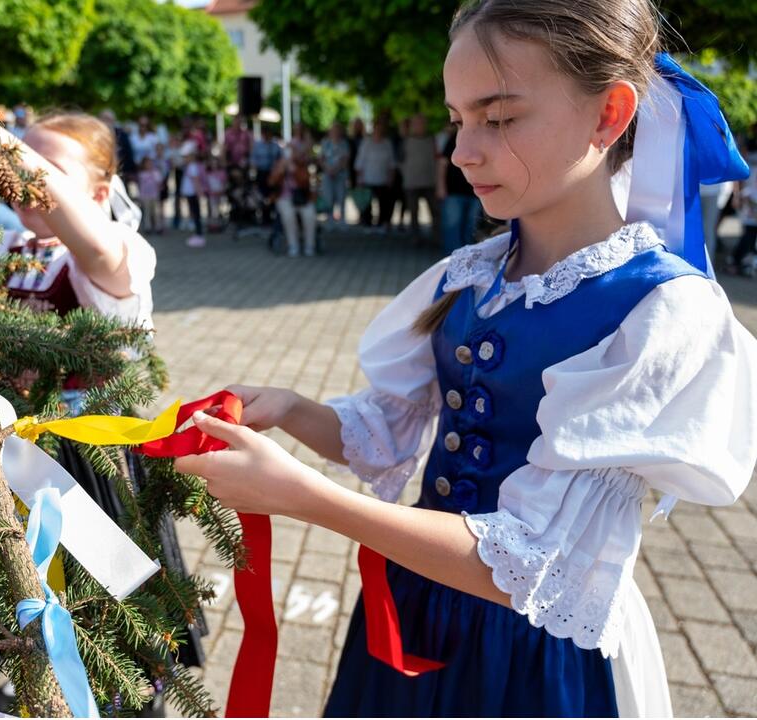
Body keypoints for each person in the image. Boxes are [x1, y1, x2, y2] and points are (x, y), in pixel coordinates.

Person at [175, 0, 757, 716]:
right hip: (415, 607)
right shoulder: (469, 276)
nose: (462, 151)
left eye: (500, 117)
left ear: (608, 114)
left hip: (534, 654)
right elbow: (388, 428)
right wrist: (294, 410)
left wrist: (307, 498)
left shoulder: (662, 311)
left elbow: (536, 564)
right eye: (458, 120)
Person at [7, 110, 208, 668]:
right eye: (19, 158)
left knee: (108, 618)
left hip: (86, 457)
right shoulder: (8, 245)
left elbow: (96, 251)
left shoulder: (115, 248)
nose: (23, 175)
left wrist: (0, 143)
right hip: (13, 452)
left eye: (48, 167)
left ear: (98, 192)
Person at [436, 128, 481, 253]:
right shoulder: (455, 138)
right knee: (452, 227)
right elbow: (442, 164)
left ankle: (468, 260)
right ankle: (452, 260)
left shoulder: (482, 138)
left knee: (471, 227)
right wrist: (441, 187)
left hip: (476, 192)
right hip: (453, 192)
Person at [271, 144, 317, 257]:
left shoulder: (301, 165)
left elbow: (305, 182)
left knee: (309, 215)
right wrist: (281, 171)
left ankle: (309, 245)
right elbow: (271, 183)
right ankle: (293, 245)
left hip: (302, 198)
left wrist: (294, 170)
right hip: (284, 198)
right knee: (288, 215)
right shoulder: (279, 164)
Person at [402, 113, 439, 242]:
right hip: (412, 182)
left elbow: (437, 159)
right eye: (416, 123)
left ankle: (436, 237)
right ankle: (415, 237)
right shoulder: (406, 140)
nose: (419, 126)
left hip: (430, 181)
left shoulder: (432, 139)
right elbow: (400, 161)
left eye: (422, 123)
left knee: (435, 211)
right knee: (413, 212)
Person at [354, 121, 397, 231]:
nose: (378, 131)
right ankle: (367, 224)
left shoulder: (387, 143)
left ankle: (381, 224)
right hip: (367, 179)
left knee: (383, 204)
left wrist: (390, 178)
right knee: (367, 204)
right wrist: (359, 179)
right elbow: (360, 162)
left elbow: (391, 163)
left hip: (383, 179)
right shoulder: (366, 143)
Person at [727, 137, 757, 276]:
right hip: (750, 200)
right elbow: (742, 181)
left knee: (751, 235)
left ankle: (744, 263)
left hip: (750, 198)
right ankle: (736, 261)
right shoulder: (747, 164)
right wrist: (740, 197)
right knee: (749, 234)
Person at [319, 121, 351, 225]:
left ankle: (342, 219)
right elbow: (321, 158)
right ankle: (330, 219)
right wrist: (328, 169)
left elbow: (345, 159)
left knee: (341, 196)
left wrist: (336, 169)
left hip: (340, 174)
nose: (335, 132)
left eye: (337, 130)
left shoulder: (344, 144)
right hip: (327, 174)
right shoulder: (325, 143)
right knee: (328, 197)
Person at [250, 125, 283, 225]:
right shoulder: (258, 145)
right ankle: (265, 217)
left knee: (273, 194)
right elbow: (253, 160)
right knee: (263, 195)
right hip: (262, 173)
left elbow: (281, 158)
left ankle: (274, 216)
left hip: (273, 173)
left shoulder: (275, 145)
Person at [179, 146, 206, 247]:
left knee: (196, 214)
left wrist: (199, 193)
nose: (184, 159)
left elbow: (196, 181)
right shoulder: (190, 166)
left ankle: (199, 234)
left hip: (193, 194)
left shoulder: (193, 166)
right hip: (190, 194)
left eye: (186, 157)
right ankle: (197, 233)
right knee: (194, 214)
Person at [137, 156, 164, 234]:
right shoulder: (141, 174)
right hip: (145, 196)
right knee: (147, 212)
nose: (149, 165)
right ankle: (147, 227)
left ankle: (158, 227)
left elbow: (160, 183)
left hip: (155, 195)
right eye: (147, 163)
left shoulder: (156, 173)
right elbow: (140, 185)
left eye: (150, 163)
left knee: (156, 212)